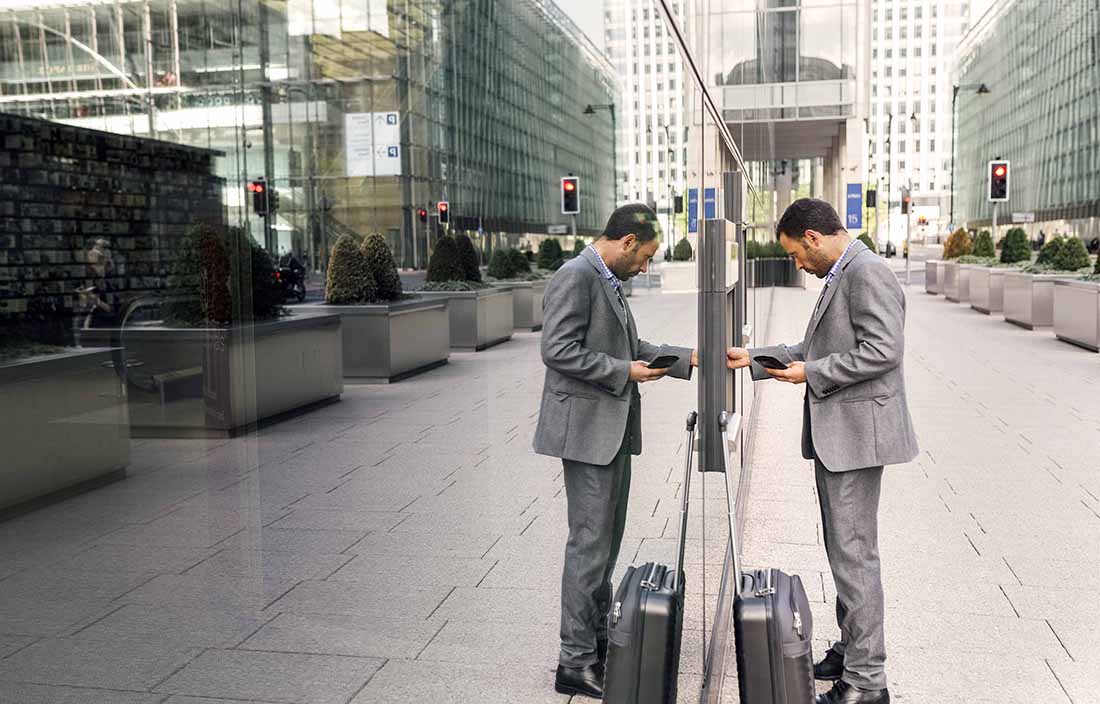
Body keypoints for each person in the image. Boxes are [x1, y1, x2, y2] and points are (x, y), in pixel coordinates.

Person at [727, 198, 918, 704]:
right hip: (844, 436)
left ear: (812, 237)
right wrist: (759, 357)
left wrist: (812, 374)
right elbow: (818, 347)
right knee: (844, 554)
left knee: (855, 558)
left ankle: (867, 683)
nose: (797, 264)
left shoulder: (866, 271)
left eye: (795, 254)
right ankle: (853, 651)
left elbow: (883, 350)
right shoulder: (843, 271)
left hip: (855, 438)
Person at [534, 203, 697, 699]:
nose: (645, 267)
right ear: (627, 242)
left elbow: (631, 343)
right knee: (589, 545)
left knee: (603, 544)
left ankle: (597, 641)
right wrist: (623, 372)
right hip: (586, 432)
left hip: (608, 431)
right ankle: (575, 660)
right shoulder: (576, 275)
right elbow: (557, 350)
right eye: (645, 257)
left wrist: (688, 359)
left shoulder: (606, 278)